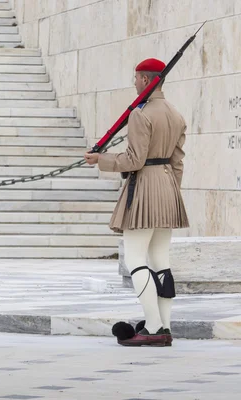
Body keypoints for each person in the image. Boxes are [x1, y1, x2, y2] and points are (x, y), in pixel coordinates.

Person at [84, 58, 189, 347]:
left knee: (135, 259)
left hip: (145, 185)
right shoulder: (176, 114)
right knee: (160, 261)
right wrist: (169, 191)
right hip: (168, 186)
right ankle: (165, 327)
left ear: (145, 80)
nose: (134, 82)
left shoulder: (141, 114)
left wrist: (100, 159)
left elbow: (135, 160)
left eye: (136, 78)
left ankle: (154, 326)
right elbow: (178, 162)